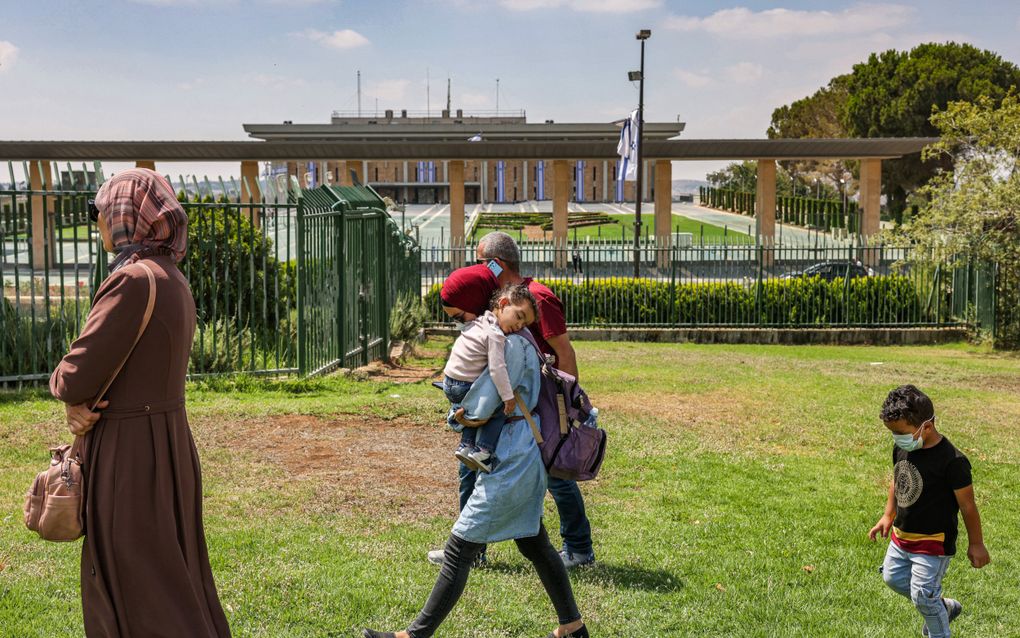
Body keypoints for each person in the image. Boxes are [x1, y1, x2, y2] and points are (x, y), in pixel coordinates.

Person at [50, 169, 231, 637]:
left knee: (136, 582)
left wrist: (65, 391)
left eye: (102, 210)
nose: (98, 222)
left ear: (128, 214)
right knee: (173, 573)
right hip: (166, 443)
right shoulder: (171, 276)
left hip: (130, 454)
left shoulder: (132, 279)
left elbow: (74, 375)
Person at [363, 333, 588, 638]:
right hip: (519, 455)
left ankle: (414, 636)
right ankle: (573, 628)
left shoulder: (509, 346)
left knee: (459, 549)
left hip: (510, 462)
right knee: (535, 544)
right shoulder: (519, 341)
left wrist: (457, 417)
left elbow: (485, 402)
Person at [436, 231, 594, 569]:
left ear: (496, 263)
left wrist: (569, 404)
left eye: (481, 262)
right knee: (472, 471)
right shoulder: (496, 304)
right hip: (506, 404)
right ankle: (470, 552)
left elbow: (563, 351)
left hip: (542, 405)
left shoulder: (536, 298)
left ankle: (579, 550)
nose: (477, 270)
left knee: (556, 475)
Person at [869, 385, 990, 638]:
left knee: (923, 596)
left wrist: (976, 544)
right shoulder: (903, 447)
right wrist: (887, 515)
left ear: (927, 426)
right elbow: (897, 479)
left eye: (900, 433)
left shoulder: (952, 461)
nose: (896, 438)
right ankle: (943, 606)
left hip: (933, 542)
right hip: (902, 537)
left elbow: (968, 506)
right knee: (891, 578)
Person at [443, 283, 538, 472]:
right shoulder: (494, 335)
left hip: (449, 382)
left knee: (470, 408)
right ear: (503, 303)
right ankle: (484, 451)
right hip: (464, 385)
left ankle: (466, 445)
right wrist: (507, 396)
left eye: (524, 324)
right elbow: (497, 369)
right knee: (497, 409)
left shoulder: (479, 322)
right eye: (519, 317)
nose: (519, 326)